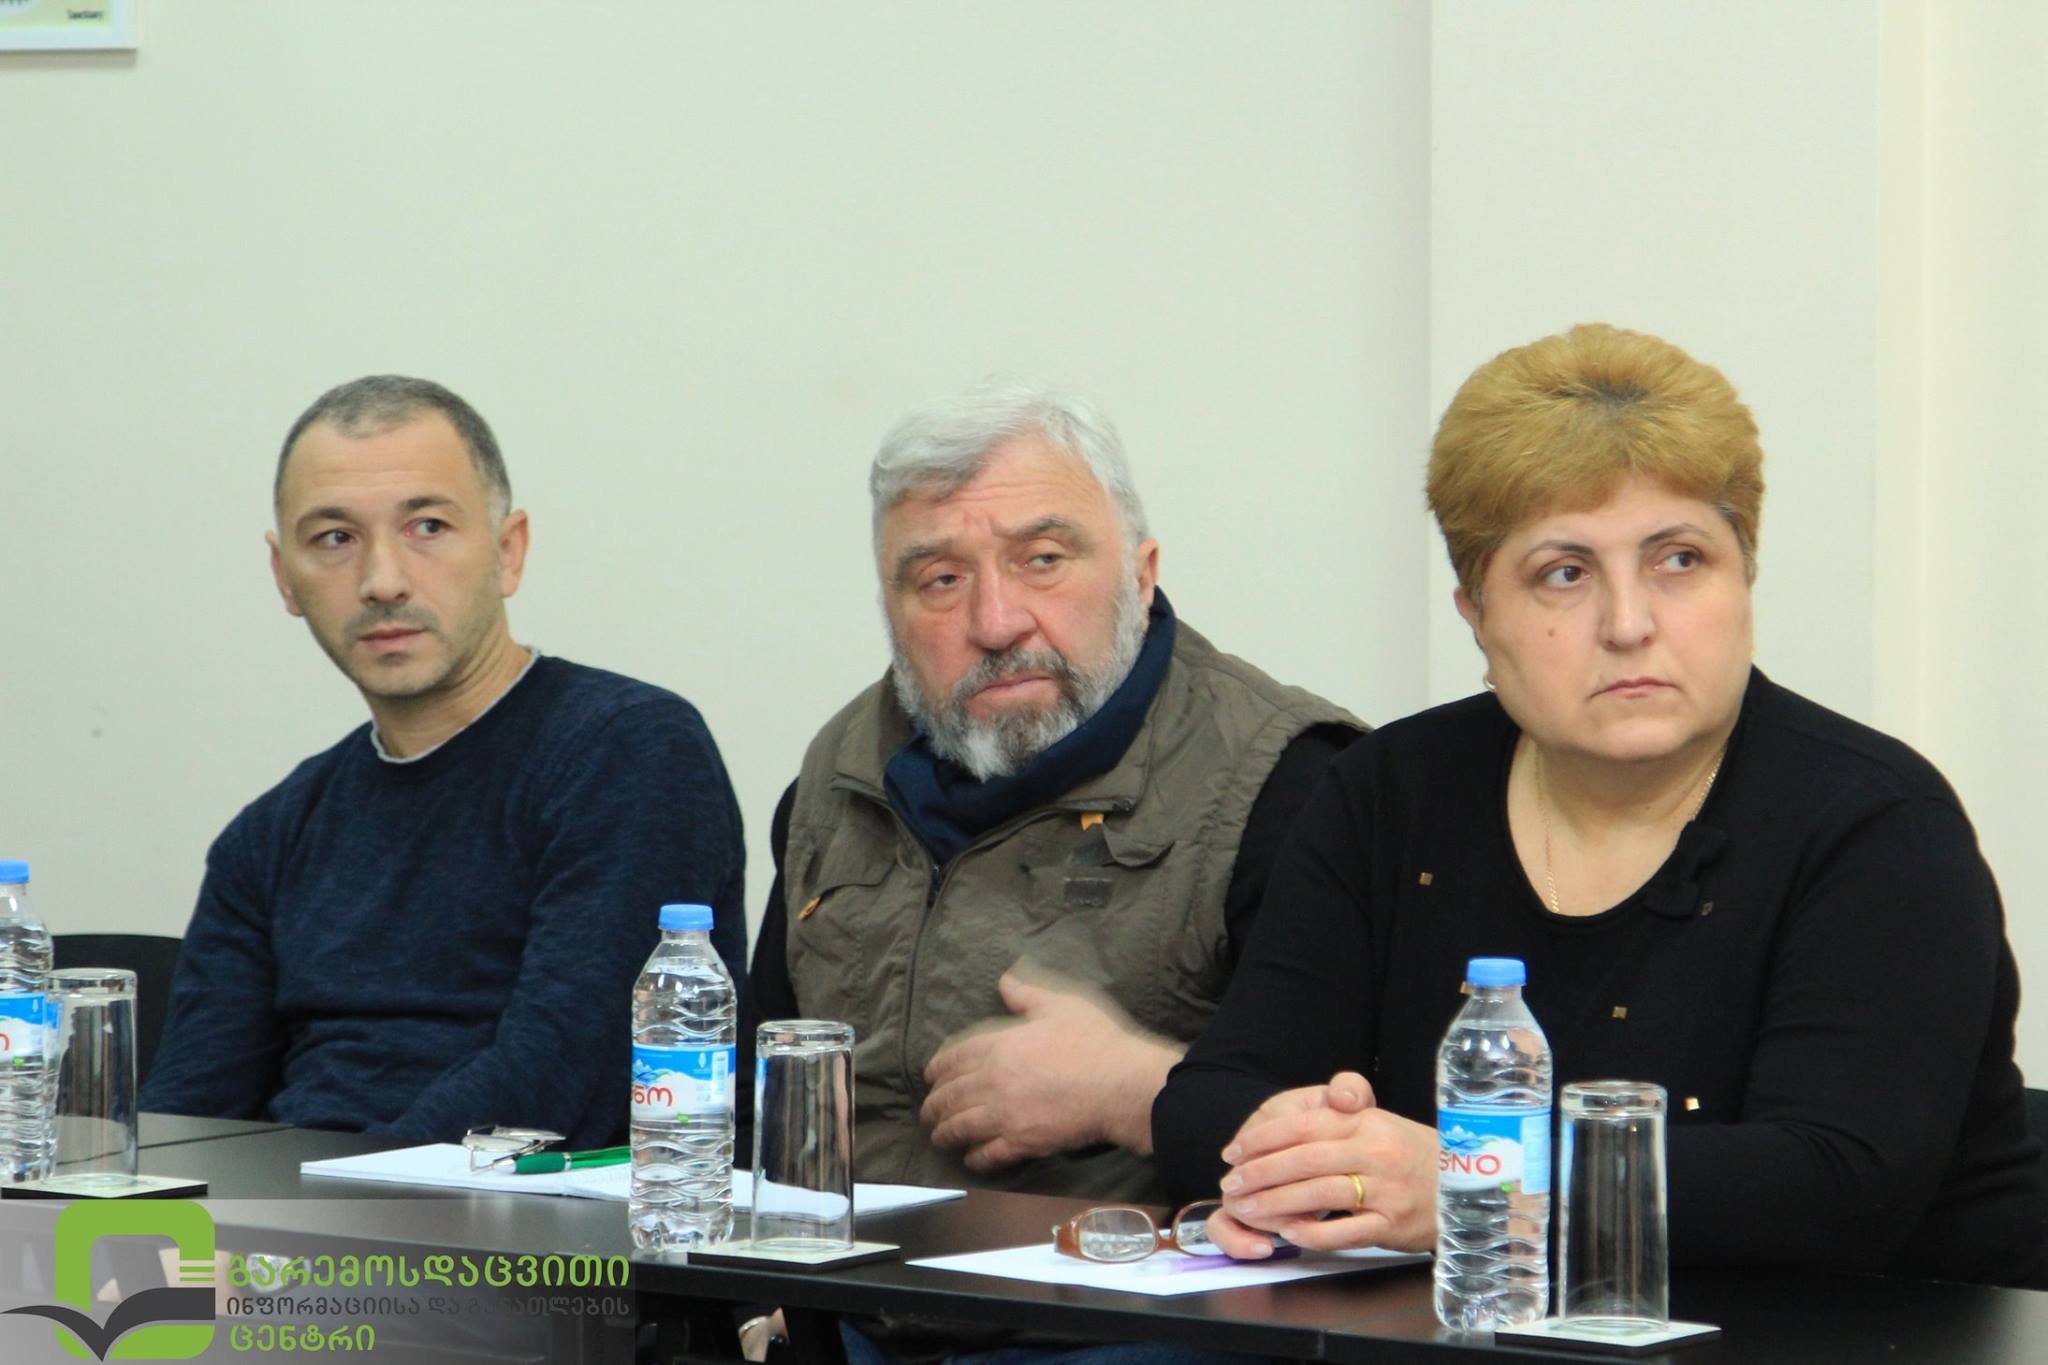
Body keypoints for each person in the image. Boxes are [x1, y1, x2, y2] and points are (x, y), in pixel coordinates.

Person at [1153, 323, 2048, 1287]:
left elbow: (1837, 1186)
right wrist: (1309, 1152)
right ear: (1476, 613)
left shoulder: (1876, 821)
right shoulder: (1391, 789)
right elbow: (1208, 1099)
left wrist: (1469, 1183)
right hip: (1465, 1335)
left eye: (1680, 560)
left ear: (1745, 575)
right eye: (1564, 573)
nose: (1629, 624)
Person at [747, 380, 1364, 1204]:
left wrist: (1130, 1089)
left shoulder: (1291, 783)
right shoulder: (839, 780)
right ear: (891, 610)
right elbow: (750, 1117)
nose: (996, 622)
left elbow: (1350, 1154)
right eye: (940, 579)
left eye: (1042, 559)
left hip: (1129, 1285)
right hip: (832, 1280)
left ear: (1141, 574)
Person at [142, 375, 746, 1149]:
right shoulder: (268, 836)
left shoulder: (627, 749)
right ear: (284, 575)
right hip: (288, 1212)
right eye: (334, 538)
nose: (383, 581)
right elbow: (184, 1121)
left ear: (507, 552)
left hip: (503, 1216)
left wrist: (331, 1201)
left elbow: (559, 1082)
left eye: (427, 526)